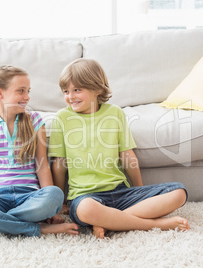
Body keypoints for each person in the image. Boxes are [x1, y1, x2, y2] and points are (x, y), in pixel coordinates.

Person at [49, 59, 189, 239]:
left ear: (96, 89)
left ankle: (110, 222)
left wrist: (139, 190)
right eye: (66, 91)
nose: (70, 96)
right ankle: (154, 225)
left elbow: (127, 156)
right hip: (86, 197)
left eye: (77, 90)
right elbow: (59, 164)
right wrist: (61, 201)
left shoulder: (115, 113)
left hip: (120, 191)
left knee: (179, 192)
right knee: (87, 209)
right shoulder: (62, 118)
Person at [0, 65, 78, 237]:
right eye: (21, 91)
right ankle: (39, 229)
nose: (27, 97)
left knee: (55, 195)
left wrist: (52, 211)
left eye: (28, 91)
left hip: (29, 196)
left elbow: (42, 166)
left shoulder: (35, 120)